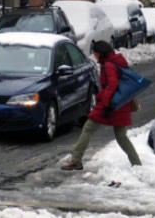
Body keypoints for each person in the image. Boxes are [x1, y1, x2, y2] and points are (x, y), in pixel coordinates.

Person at [61, 40, 142, 171]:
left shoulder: (108, 65)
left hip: (110, 104)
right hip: (121, 103)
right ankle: (137, 164)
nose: (94, 55)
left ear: (100, 53)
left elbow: (112, 85)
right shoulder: (116, 61)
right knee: (121, 136)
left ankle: (76, 160)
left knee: (87, 128)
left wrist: (103, 100)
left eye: (95, 53)